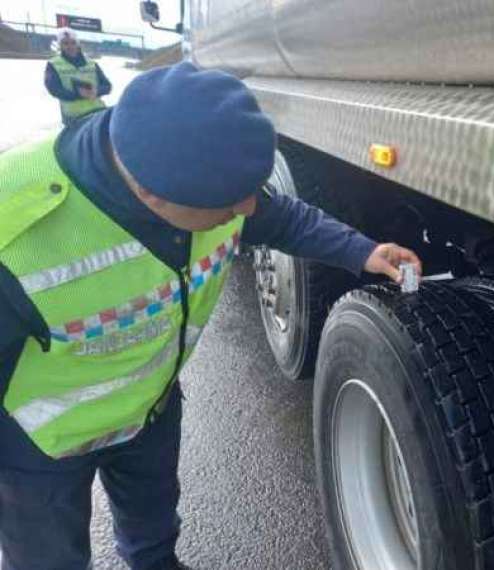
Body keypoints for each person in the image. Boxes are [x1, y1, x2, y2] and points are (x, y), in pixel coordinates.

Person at [0, 62, 421, 570]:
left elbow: (280, 216)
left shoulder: (200, 180)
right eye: (229, 203)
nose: (246, 209)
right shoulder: (16, 230)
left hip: (149, 412)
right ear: (153, 197)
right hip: (43, 445)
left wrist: (363, 252)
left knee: (154, 534)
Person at [44, 27, 112, 125]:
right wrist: (78, 94)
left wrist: (96, 91)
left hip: (98, 112)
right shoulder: (53, 64)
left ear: (78, 44)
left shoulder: (91, 63)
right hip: (73, 118)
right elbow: (54, 90)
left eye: (73, 42)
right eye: (65, 43)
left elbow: (108, 86)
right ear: (60, 45)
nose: (70, 46)